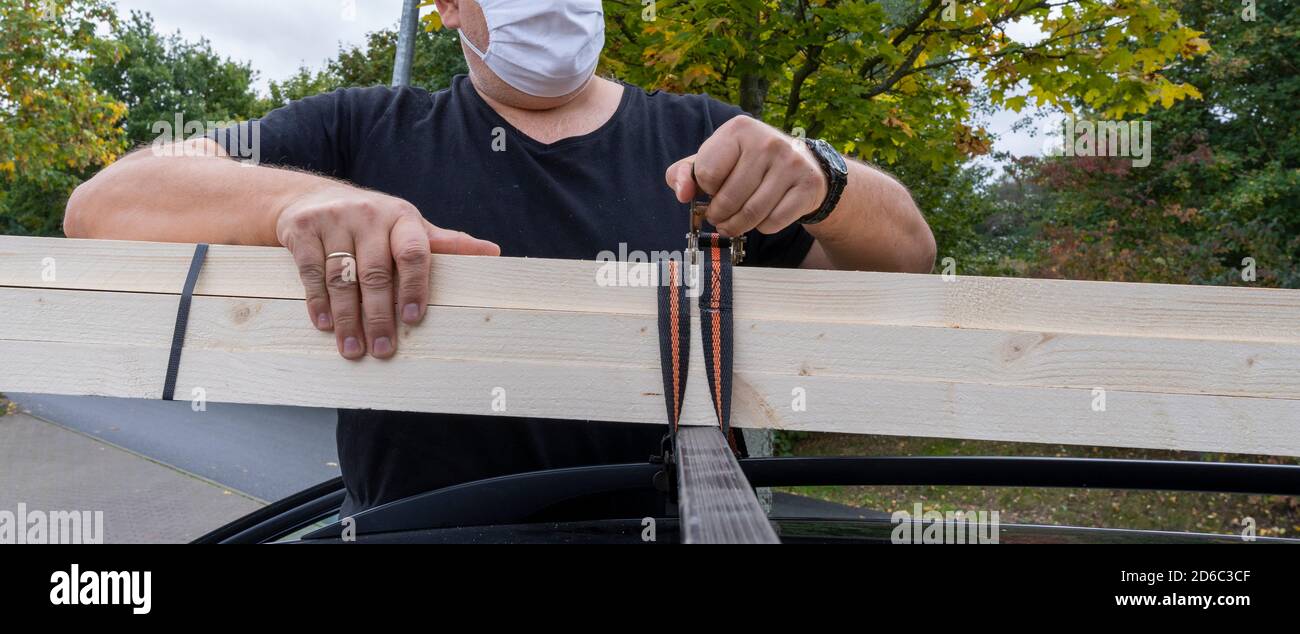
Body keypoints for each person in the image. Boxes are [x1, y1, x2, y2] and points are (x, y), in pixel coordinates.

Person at [63, 0, 936, 516]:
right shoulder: (360, 130)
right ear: (443, 4)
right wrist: (294, 201)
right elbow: (103, 207)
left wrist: (826, 175)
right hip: (422, 535)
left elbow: (905, 262)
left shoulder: (707, 139)